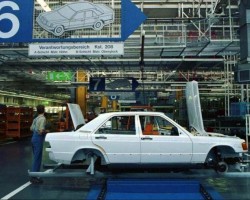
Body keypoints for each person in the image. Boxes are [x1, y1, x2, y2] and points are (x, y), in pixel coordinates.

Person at [29, 105, 47, 184]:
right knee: (37, 158)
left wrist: (37, 129)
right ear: (44, 110)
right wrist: (46, 131)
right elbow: (40, 131)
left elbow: (31, 128)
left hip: (33, 138)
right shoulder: (43, 119)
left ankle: (35, 175)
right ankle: (34, 177)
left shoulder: (35, 118)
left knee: (36, 157)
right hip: (38, 139)